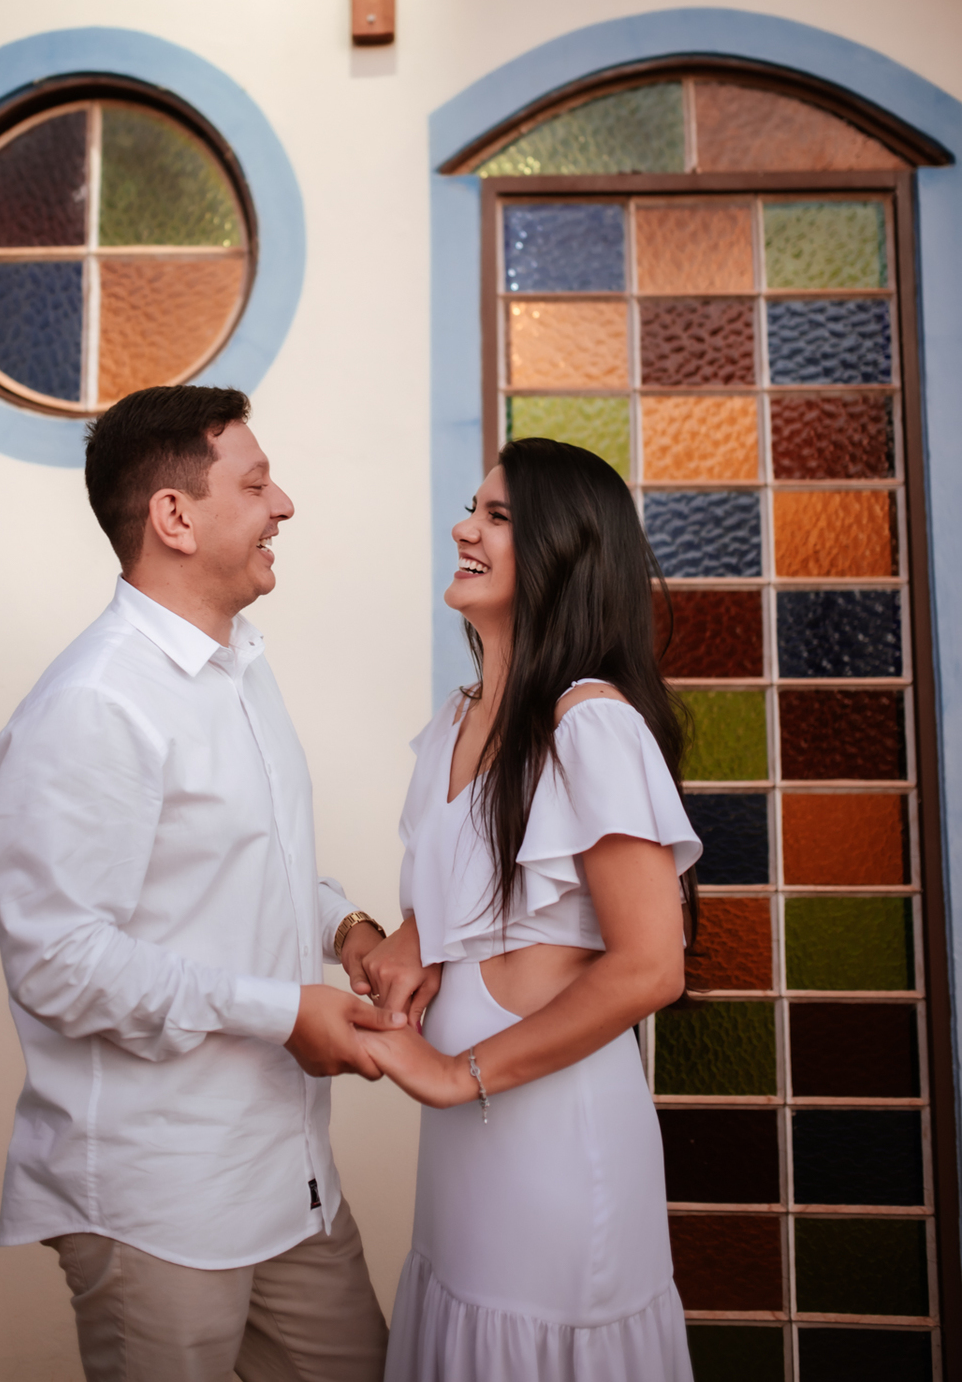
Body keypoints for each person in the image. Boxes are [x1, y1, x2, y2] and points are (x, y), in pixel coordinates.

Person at [0, 384, 401, 1382]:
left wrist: (349, 928)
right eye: (255, 484)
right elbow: (61, 964)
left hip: (288, 1181)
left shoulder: (241, 664)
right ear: (174, 518)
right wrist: (283, 1011)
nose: (284, 505)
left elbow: (255, 860)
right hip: (155, 1198)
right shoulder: (93, 704)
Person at [355, 437, 701, 1382]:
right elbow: (489, 884)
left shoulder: (590, 722)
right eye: (473, 508)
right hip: (464, 1154)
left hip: (552, 1137)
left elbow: (648, 965)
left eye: (499, 516)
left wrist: (457, 1073)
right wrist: (418, 933)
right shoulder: (456, 720)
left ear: (563, 549)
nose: (464, 528)